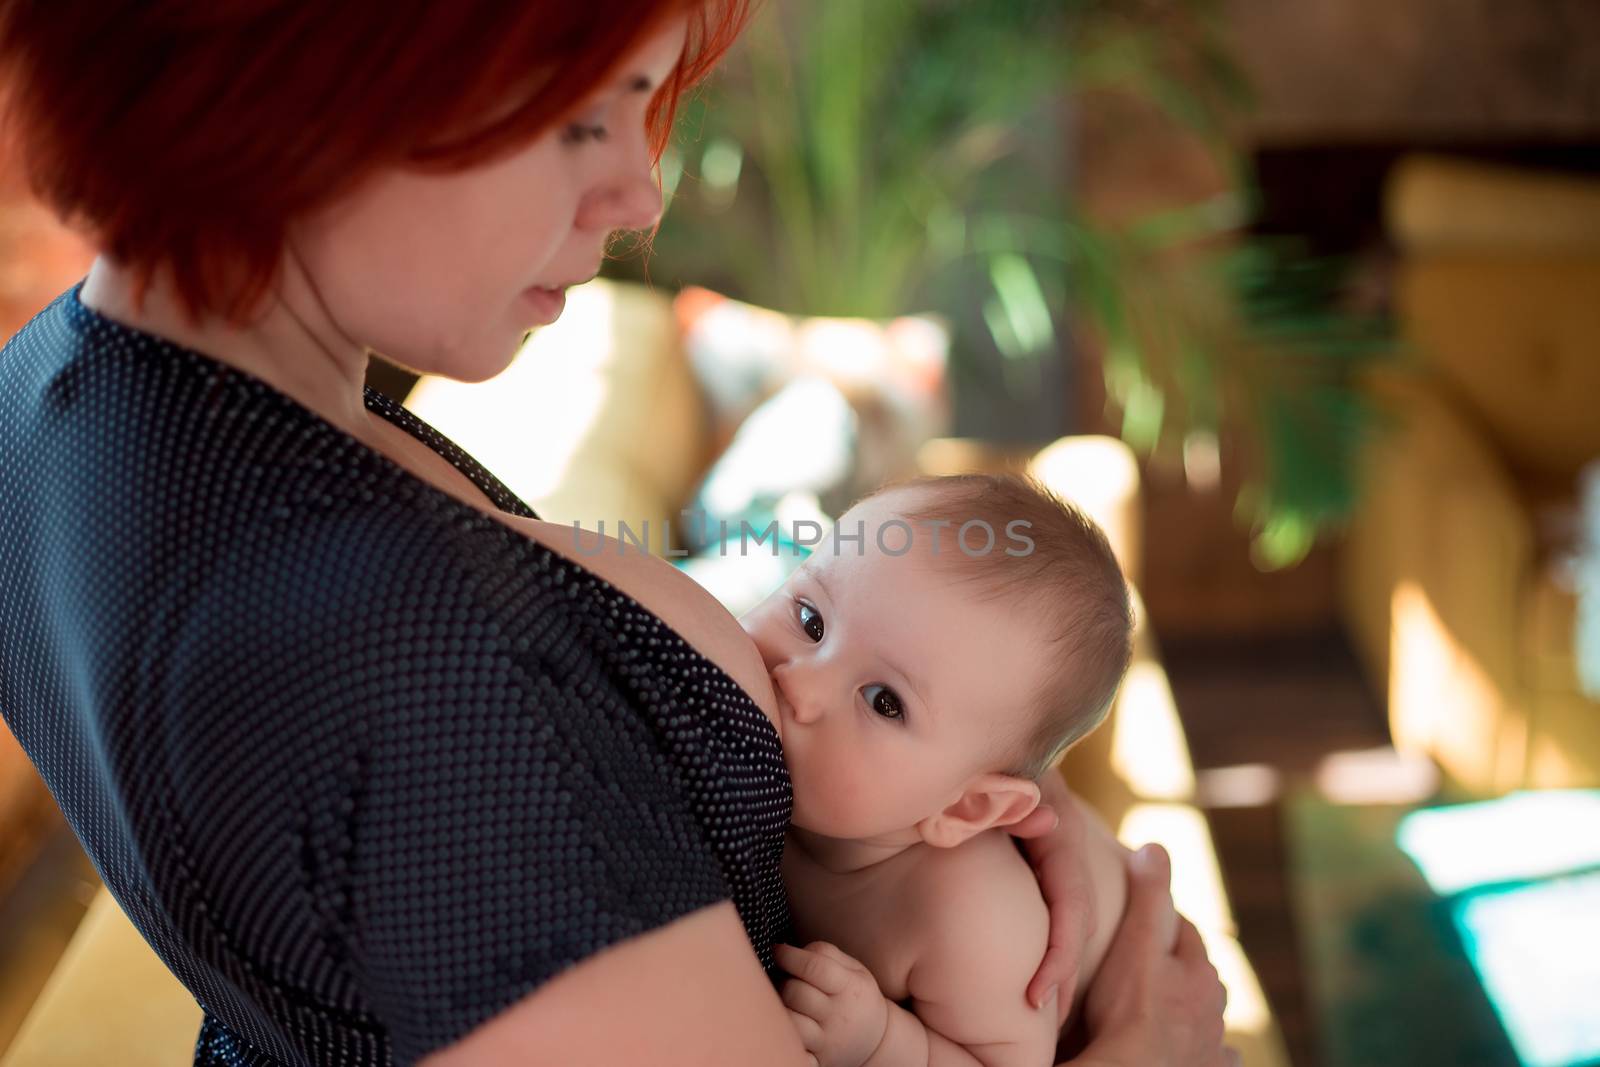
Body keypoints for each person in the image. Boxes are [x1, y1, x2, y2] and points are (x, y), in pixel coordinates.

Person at [0, 2, 1234, 1065]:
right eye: (585, 116)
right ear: (327, 80)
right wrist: (1147, 1046)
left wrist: (997, 796)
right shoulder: (397, 673)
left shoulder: (61, 390)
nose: (638, 190)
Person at [744, 472, 1139, 1067]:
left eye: (884, 701)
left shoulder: (969, 921)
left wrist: (885, 1042)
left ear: (964, 808)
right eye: (810, 619)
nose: (799, 682)